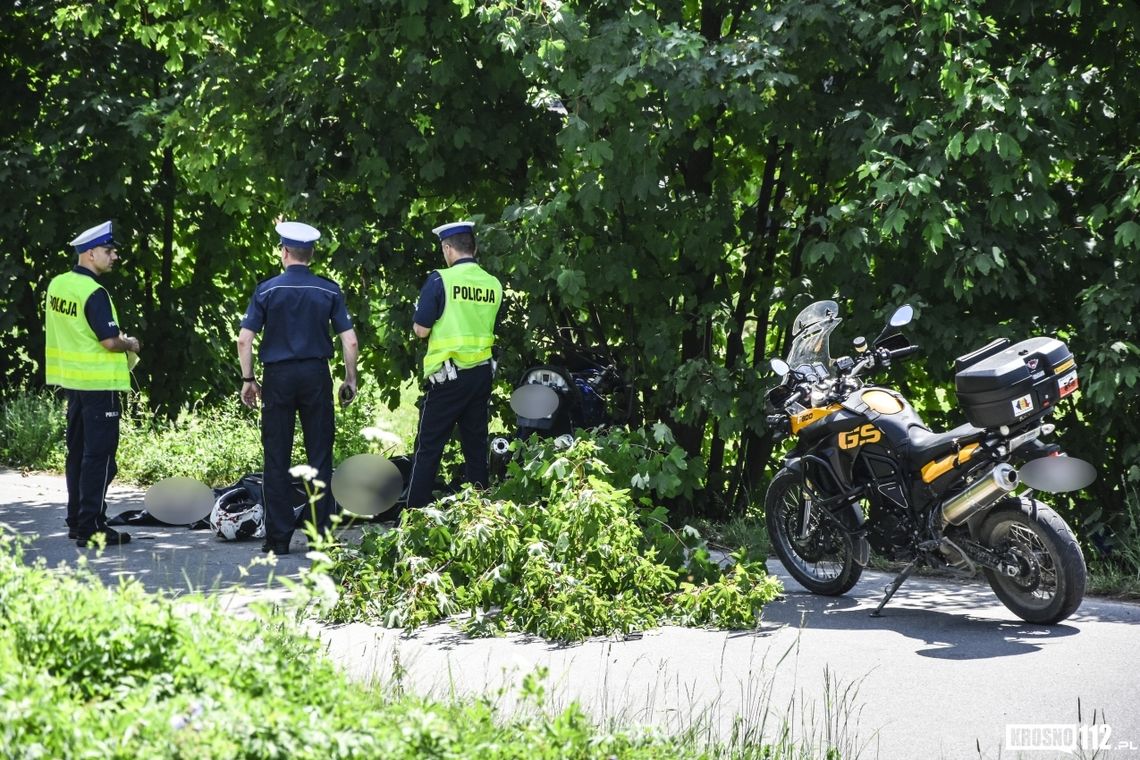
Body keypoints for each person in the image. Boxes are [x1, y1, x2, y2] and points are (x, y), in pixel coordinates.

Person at [236, 221, 358, 554]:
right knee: (320, 454)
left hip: (278, 378)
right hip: (316, 375)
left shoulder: (267, 290)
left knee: (276, 457)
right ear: (311, 254)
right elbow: (350, 340)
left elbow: (244, 339)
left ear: (285, 252)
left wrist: (249, 380)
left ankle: (277, 540)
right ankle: (320, 536)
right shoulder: (328, 291)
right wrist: (350, 379)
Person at [44, 221, 140, 548]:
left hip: (74, 383)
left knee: (78, 453)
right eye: (109, 251)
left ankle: (77, 520)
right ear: (90, 253)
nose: (114, 257)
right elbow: (109, 341)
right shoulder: (94, 292)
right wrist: (131, 343)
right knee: (100, 457)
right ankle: (92, 526)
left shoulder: (58, 285)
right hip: (99, 385)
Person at [407, 220, 503, 508]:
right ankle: (480, 515)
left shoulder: (440, 280)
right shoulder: (493, 284)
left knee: (429, 448)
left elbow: (421, 330)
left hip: (448, 378)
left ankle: (414, 517)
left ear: (448, 249)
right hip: (481, 375)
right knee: (475, 447)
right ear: (473, 248)